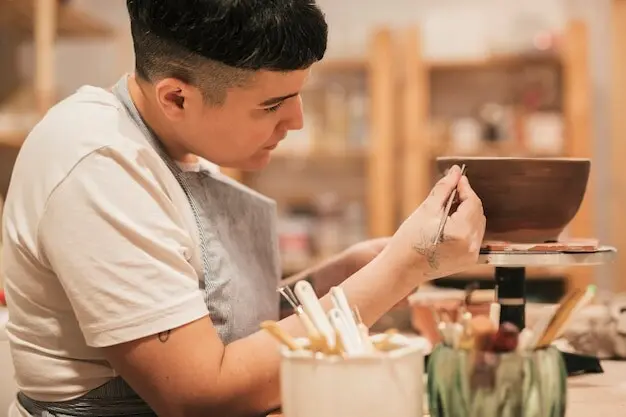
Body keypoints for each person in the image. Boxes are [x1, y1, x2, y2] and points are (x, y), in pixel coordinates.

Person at [0, 0, 486, 416]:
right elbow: (200, 397)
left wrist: (338, 278)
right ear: (177, 97)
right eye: (272, 105)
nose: (296, 121)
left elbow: (212, 324)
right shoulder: (99, 163)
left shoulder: (176, 143)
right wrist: (404, 267)